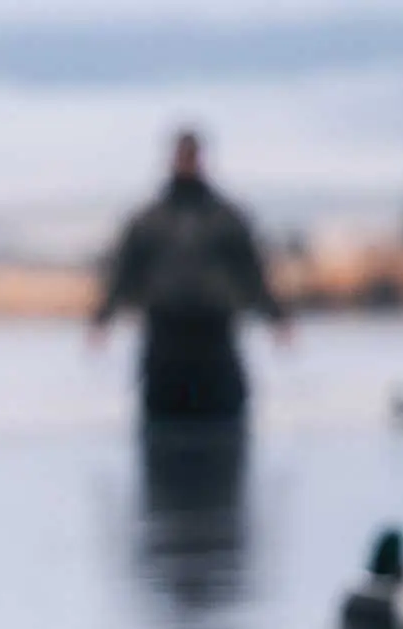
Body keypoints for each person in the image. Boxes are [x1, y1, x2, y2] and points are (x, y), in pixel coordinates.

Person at [92, 129, 289, 423]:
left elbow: (252, 271)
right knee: (163, 420)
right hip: (165, 335)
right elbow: (123, 272)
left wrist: (277, 317)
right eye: (183, 156)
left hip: (214, 334)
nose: (187, 162)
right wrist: (102, 319)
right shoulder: (149, 219)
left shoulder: (226, 217)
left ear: (201, 159)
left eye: (191, 156)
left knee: (224, 418)